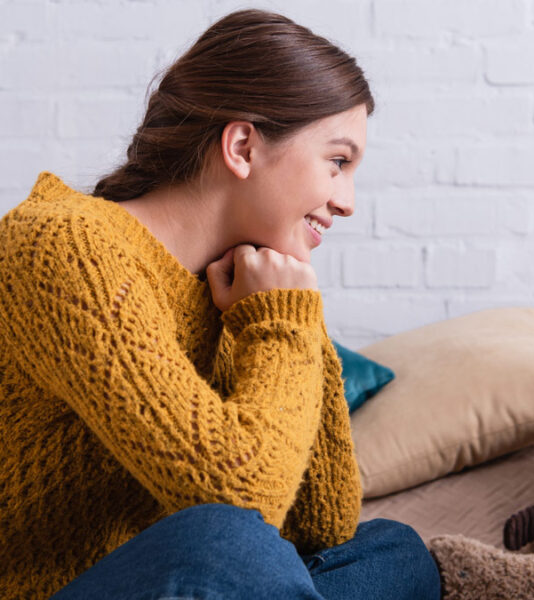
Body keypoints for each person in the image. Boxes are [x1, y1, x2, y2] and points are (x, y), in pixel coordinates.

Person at [0, 9, 439, 600]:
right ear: (241, 146)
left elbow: (322, 522)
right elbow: (240, 501)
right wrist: (283, 324)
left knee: (393, 550)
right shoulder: (62, 245)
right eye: (337, 162)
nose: (347, 202)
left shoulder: (242, 293)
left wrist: (291, 318)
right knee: (221, 542)